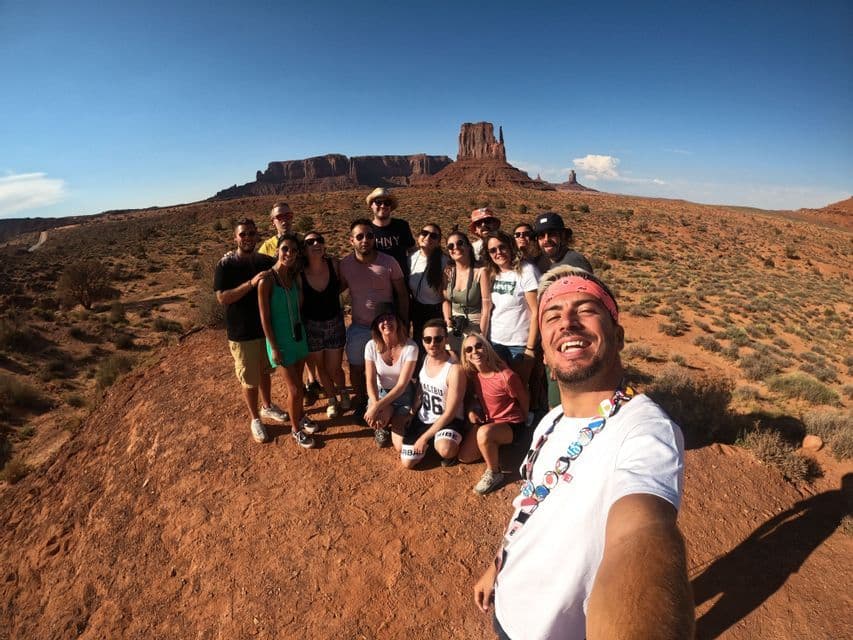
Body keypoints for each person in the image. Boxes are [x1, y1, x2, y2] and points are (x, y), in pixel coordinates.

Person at [473, 265, 692, 640]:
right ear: (544, 352)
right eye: (552, 316)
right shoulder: (551, 421)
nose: (568, 322)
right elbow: (532, 503)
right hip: (508, 611)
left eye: (586, 309)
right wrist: (499, 565)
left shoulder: (644, 430)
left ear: (618, 335)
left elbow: (641, 532)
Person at [213, 218, 288, 444]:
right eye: (243, 234)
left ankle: (267, 406)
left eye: (251, 234)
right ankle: (255, 418)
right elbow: (222, 298)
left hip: (265, 330)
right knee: (249, 378)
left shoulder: (265, 261)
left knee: (265, 371)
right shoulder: (225, 265)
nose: (247, 238)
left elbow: (286, 264)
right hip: (241, 332)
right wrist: (251, 283)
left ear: (257, 236)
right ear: (235, 237)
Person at [339, 218, 409, 422]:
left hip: (386, 328)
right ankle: (362, 402)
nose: (365, 240)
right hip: (359, 326)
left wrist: (402, 324)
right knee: (357, 367)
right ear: (351, 240)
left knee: (387, 369)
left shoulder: (389, 262)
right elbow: (336, 289)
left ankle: (390, 404)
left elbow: (402, 295)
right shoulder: (345, 265)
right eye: (359, 236)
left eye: (369, 235)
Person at [257, 200, 323, 406]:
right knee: (290, 352)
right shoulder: (267, 247)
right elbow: (254, 268)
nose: (284, 220)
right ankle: (298, 391)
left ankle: (311, 380)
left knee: (307, 345)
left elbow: (320, 259)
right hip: (282, 308)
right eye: (279, 217)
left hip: (305, 301)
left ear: (292, 217)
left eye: (287, 216)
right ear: (272, 221)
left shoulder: (302, 242)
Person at [257, 233, 318, 449]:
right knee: (294, 389)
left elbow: (298, 307)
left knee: (299, 385)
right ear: (277, 250)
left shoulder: (293, 278)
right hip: (279, 341)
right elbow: (264, 317)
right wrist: (273, 347)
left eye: (293, 250)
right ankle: (296, 430)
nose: (289, 254)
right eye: (285, 249)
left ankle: (300, 416)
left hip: (297, 337)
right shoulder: (266, 280)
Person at [457, 333, 529, 495]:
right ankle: (494, 445)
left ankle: (494, 472)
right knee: (465, 457)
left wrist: (525, 421)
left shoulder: (506, 376)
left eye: (478, 346)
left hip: (512, 424)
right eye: (469, 349)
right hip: (489, 421)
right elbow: (473, 398)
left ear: (487, 347)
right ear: (466, 356)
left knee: (484, 433)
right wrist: (470, 410)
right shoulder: (473, 375)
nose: (474, 351)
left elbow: (524, 398)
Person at [398, 319, 466, 468]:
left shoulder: (455, 370)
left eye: (438, 338)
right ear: (423, 341)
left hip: (448, 420)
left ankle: (443, 445)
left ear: (446, 339)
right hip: (425, 417)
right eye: (428, 339)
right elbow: (421, 388)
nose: (432, 343)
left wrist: (424, 438)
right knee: (407, 462)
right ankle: (432, 441)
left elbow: (449, 413)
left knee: (446, 450)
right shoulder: (425, 358)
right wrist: (412, 411)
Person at [300, 230, 349, 418]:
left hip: (334, 324)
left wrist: (330, 296)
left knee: (334, 367)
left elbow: (344, 284)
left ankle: (343, 391)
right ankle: (331, 399)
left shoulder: (334, 264)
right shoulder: (300, 273)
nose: (315, 244)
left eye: (319, 240)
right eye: (310, 242)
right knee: (320, 367)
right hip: (312, 326)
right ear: (303, 249)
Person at [483, 231, 540, 382]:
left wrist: (530, 348)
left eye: (502, 247)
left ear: (510, 247)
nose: (498, 253)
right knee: (501, 390)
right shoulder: (492, 273)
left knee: (519, 390)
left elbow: (537, 312)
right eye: (493, 250)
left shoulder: (527, 271)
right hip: (496, 343)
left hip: (520, 345)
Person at [363, 303, 418, 448]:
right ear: (376, 325)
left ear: (398, 322)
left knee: (400, 446)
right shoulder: (370, 346)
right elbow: (370, 381)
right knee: (377, 420)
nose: (386, 322)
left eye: (390, 318)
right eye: (381, 319)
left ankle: (397, 421)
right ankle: (384, 423)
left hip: (403, 395)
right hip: (381, 393)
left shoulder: (411, 347)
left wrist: (376, 408)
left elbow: (401, 386)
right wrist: (375, 404)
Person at [442, 230, 492, 355]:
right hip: (454, 327)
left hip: (475, 327)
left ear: (469, 247)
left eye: (460, 243)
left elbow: (487, 308)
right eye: (450, 246)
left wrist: (482, 338)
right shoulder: (449, 273)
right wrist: (448, 321)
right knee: (455, 365)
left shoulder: (481, 272)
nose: (456, 248)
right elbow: (445, 300)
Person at [408, 222, 449, 343]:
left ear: (438, 242)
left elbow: (446, 296)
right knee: (418, 344)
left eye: (433, 236)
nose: (427, 238)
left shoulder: (444, 262)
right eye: (424, 233)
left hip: (436, 311)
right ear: (418, 236)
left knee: (434, 345)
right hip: (417, 309)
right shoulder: (411, 258)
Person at [366, 187, 415, 277]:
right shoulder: (366, 229)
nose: (383, 206)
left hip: (401, 281)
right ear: (371, 205)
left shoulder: (402, 226)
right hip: (376, 282)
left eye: (387, 203)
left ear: (391, 207)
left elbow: (412, 250)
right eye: (378, 202)